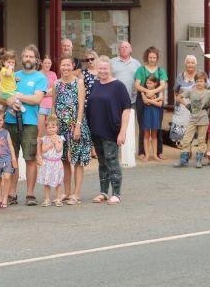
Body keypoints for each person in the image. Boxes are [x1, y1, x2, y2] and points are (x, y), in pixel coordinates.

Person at [3, 45, 47, 207]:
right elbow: (2, 96)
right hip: (10, 121)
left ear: (36, 59)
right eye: (25, 56)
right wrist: (10, 101)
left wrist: (19, 96)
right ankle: (12, 194)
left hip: (29, 123)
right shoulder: (13, 75)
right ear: (21, 59)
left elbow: (37, 99)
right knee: (12, 159)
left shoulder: (40, 78)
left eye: (31, 56)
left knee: (30, 159)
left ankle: (30, 194)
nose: (28, 59)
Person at [87, 56, 130, 205]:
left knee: (112, 161)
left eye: (105, 68)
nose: (103, 71)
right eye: (100, 68)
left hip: (112, 130)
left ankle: (117, 193)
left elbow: (126, 109)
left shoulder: (119, 86)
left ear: (110, 69)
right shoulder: (95, 84)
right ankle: (103, 192)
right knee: (102, 162)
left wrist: (122, 132)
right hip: (97, 130)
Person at [52, 55, 89, 205]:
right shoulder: (56, 84)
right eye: (63, 65)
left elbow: (81, 105)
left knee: (78, 160)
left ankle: (77, 193)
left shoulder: (79, 82)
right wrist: (53, 127)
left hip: (77, 126)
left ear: (73, 66)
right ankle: (67, 192)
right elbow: (54, 105)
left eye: (68, 65)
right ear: (59, 67)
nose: (66, 68)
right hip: (61, 127)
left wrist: (78, 126)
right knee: (65, 161)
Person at [175, 72, 210, 168]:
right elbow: (179, 97)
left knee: (201, 140)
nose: (199, 83)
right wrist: (187, 105)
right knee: (186, 139)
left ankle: (198, 160)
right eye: (197, 81)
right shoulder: (191, 91)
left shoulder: (208, 92)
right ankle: (184, 160)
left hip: (203, 119)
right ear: (195, 82)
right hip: (193, 119)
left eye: (201, 81)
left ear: (205, 82)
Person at [134, 46, 167, 158]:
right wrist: (147, 91)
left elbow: (163, 85)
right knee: (143, 126)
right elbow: (137, 85)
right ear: (146, 57)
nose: (152, 59)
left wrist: (153, 92)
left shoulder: (160, 70)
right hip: (142, 99)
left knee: (156, 127)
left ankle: (158, 152)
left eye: (154, 57)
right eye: (150, 57)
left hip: (156, 98)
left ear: (157, 58)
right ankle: (142, 152)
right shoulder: (141, 70)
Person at [36, 115, 65, 207]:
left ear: (57, 127)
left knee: (58, 182)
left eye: (53, 127)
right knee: (47, 182)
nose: (52, 129)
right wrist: (49, 144)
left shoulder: (60, 138)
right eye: (49, 127)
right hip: (47, 163)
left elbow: (59, 149)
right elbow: (43, 150)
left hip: (56, 163)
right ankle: (47, 199)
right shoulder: (44, 139)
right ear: (46, 128)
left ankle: (58, 198)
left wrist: (55, 142)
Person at [140, 74, 164, 162]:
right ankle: (147, 155)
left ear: (155, 83)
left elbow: (160, 104)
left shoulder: (160, 92)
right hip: (147, 114)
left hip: (155, 115)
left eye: (150, 83)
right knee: (146, 135)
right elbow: (145, 102)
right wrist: (157, 99)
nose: (147, 85)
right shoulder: (143, 92)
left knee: (154, 135)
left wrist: (150, 101)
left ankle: (155, 155)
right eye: (147, 83)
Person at [38, 57, 57, 137]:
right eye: (45, 63)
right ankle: (39, 148)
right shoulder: (37, 74)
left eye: (49, 63)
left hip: (51, 105)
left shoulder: (53, 74)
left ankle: (51, 148)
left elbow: (56, 90)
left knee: (52, 129)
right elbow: (36, 91)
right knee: (40, 130)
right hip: (41, 105)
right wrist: (47, 92)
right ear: (41, 63)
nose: (47, 65)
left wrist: (44, 92)